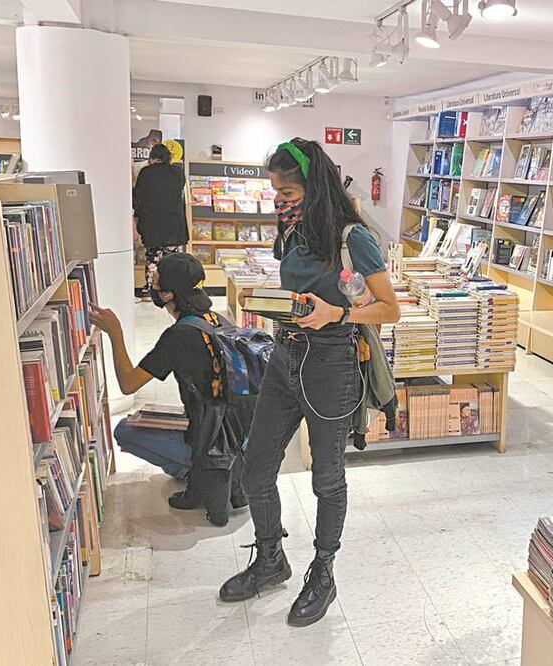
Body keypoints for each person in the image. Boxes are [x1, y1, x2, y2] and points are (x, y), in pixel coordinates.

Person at [218, 138, 400, 627]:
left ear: (313, 185)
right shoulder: (295, 229)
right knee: (256, 467)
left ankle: (323, 571)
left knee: (326, 477)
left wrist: (337, 312)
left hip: (331, 362)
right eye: (276, 191)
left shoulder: (352, 236)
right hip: (285, 357)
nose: (281, 199)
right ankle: (272, 559)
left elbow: (389, 308)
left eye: (289, 190)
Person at [91, 252, 246, 526]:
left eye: (157, 282)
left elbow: (128, 384)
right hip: (238, 435)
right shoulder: (218, 319)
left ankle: (197, 471)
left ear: (168, 295)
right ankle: (211, 467)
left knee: (124, 431)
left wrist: (115, 333)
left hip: (210, 438)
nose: (153, 286)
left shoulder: (179, 336)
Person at [133, 143, 188, 295]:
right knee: (172, 258)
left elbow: (138, 196)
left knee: (153, 256)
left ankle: (151, 288)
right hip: (174, 224)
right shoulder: (177, 172)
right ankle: (172, 288)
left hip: (153, 223)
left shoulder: (146, 173)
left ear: (152, 158)